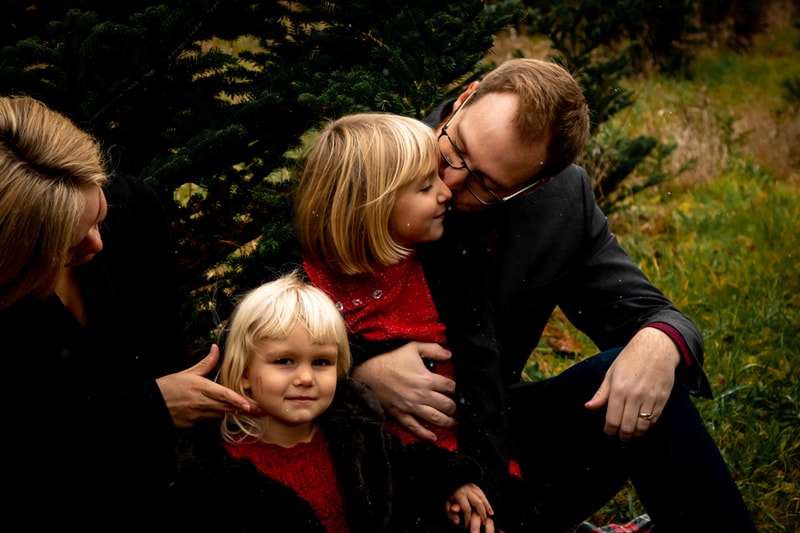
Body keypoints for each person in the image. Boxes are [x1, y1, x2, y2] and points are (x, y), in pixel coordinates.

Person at [350, 59, 757, 531]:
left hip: (493, 444)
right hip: (367, 460)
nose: (452, 181)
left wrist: (659, 343)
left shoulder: (562, 202)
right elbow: (262, 318)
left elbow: (654, 313)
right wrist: (360, 370)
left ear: (533, 185)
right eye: (455, 146)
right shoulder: (374, 157)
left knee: (648, 383)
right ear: (466, 97)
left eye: (486, 184)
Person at [0, 95, 259, 523]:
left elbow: (168, 356)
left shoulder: (133, 210)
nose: (97, 245)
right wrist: (148, 411)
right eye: (66, 245)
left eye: (97, 216)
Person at [294, 113, 529, 531]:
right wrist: (363, 363)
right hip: (373, 478)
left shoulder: (450, 269)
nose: (445, 193)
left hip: (460, 461)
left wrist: (486, 486)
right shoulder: (306, 289)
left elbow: (483, 384)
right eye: (425, 187)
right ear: (372, 206)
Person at [171, 272, 495, 533]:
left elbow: (407, 466)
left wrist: (451, 481)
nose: (306, 378)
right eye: (284, 361)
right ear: (243, 373)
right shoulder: (213, 469)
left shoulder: (353, 432)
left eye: (321, 363)